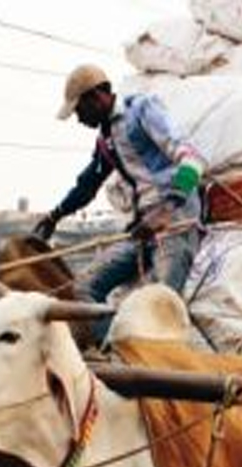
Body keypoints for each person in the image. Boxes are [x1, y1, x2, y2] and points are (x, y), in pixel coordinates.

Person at [33, 64, 206, 345]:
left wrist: (165, 211)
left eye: (79, 110)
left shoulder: (141, 110)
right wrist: (54, 216)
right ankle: (116, 351)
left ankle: (154, 362)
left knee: (158, 304)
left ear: (96, 97)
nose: (78, 119)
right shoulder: (106, 141)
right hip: (142, 230)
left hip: (175, 223)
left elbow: (193, 159)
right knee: (83, 290)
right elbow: (88, 184)